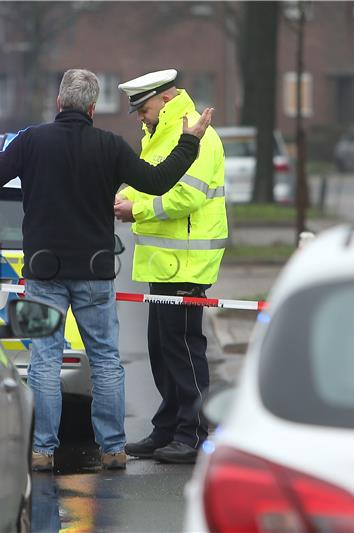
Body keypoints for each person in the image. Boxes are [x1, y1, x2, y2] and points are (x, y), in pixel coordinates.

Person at [0, 68, 214, 472]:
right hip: (94, 271)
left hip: (44, 271)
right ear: (93, 107)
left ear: (59, 103)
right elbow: (157, 182)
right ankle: (113, 448)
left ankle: (42, 450)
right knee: (105, 360)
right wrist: (189, 141)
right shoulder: (110, 146)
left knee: (44, 361)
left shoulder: (32, 141)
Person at [114, 69, 227, 464]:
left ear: (165, 100)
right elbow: (147, 182)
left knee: (183, 352)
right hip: (165, 263)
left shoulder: (199, 136)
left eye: (143, 108)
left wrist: (135, 210)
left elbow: (184, 198)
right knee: (163, 352)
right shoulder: (160, 137)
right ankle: (167, 428)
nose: (141, 117)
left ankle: (193, 433)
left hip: (187, 262)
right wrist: (119, 198)